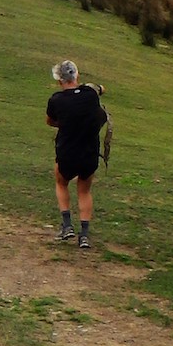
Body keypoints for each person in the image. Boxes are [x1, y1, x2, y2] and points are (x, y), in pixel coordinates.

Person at [45, 59, 107, 248]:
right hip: (89, 152)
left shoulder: (56, 100)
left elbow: (49, 121)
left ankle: (67, 226)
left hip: (67, 152)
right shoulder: (90, 95)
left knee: (61, 182)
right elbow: (99, 89)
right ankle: (85, 235)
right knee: (84, 190)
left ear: (59, 80)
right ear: (76, 75)